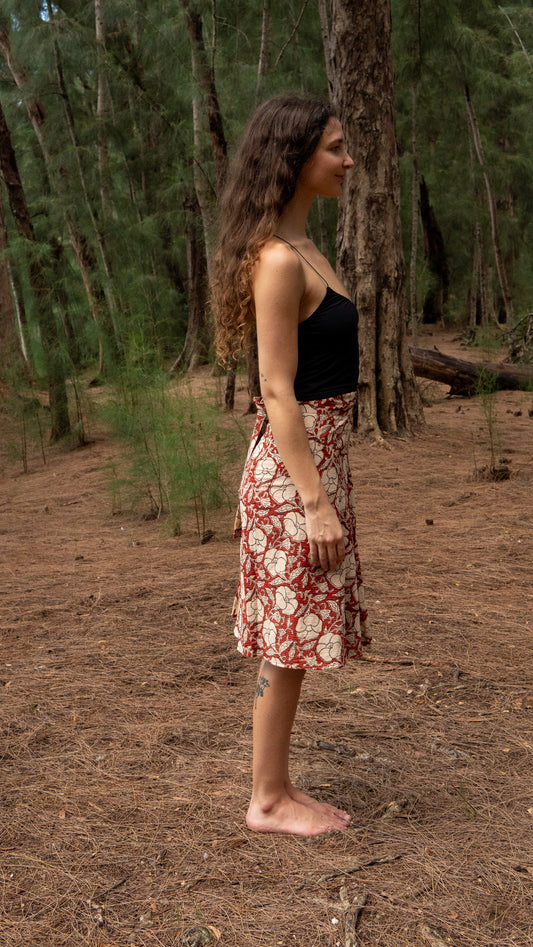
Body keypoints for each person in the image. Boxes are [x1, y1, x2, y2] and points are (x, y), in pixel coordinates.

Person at [213, 94, 370, 837]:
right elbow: (276, 388)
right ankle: (267, 798)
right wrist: (311, 499)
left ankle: (275, 787)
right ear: (295, 158)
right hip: (292, 470)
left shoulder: (305, 246)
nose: (347, 159)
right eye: (334, 147)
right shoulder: (277, 259)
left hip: (318, 460)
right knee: (285, 634)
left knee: (295, 633)